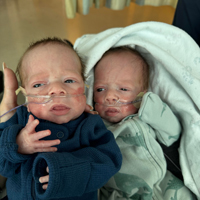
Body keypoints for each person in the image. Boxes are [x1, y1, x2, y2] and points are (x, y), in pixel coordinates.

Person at [0, 37, 122, 200]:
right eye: (39, 85)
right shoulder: (19, 122)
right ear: (26, 97)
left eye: (69, 80)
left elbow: (110, 160)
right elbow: (3, 166)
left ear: (85, 89)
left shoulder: (90, 124)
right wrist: (16, 146)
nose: (57, 90)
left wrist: (69, 172)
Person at [93, 46, 195, 199]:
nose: (110, 96)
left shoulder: (146, 116)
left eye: (123, 89)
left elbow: (172, 134)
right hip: (118, 191)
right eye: (100, 89)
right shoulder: (95, 125)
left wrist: (150, 106)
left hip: (160, 184)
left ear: (142, 94)